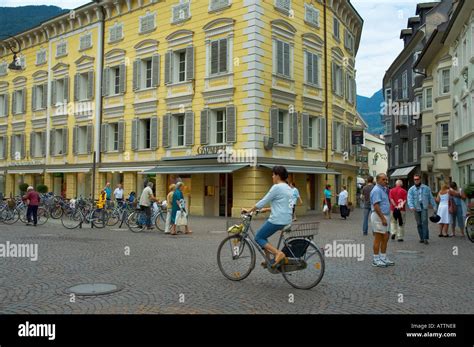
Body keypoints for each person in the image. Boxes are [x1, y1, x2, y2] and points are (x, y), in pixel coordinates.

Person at [243, 166, 293, 269]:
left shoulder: (277, 187)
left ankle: (278, 253)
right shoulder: (288, 188)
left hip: (277, 220)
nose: (272, 176)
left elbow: (262, 201)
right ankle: (268, 259)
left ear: (278, 176)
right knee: (264, 236)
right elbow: (283, 205)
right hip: (287, 219)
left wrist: (249, 210)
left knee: (259, 237)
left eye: (273, 174)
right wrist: (268, 209)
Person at [370, 173, 394, 267]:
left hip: (385, 216)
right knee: (378, 238)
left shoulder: (383, 189)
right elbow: (376, 206)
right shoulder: (376, 190)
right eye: (383, 179)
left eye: (386, 179)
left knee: (385, 237)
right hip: (379, 216)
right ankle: (375, 259)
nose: (386, 181)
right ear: (378, 180)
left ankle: (383, 257)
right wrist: (383, 218)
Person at [407, 174, 437, 244]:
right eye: (415, 179)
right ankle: (421, 237)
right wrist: (411, 206)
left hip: (424, 206)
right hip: (416, 207)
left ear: (420, 179)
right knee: (419, 223)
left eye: (417, 179)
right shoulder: (411, 189)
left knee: (424, 222)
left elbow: (431, 198)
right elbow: (409, 198)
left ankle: (425, 238)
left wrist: (434, 206)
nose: (416, 181)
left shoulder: (426, 188)